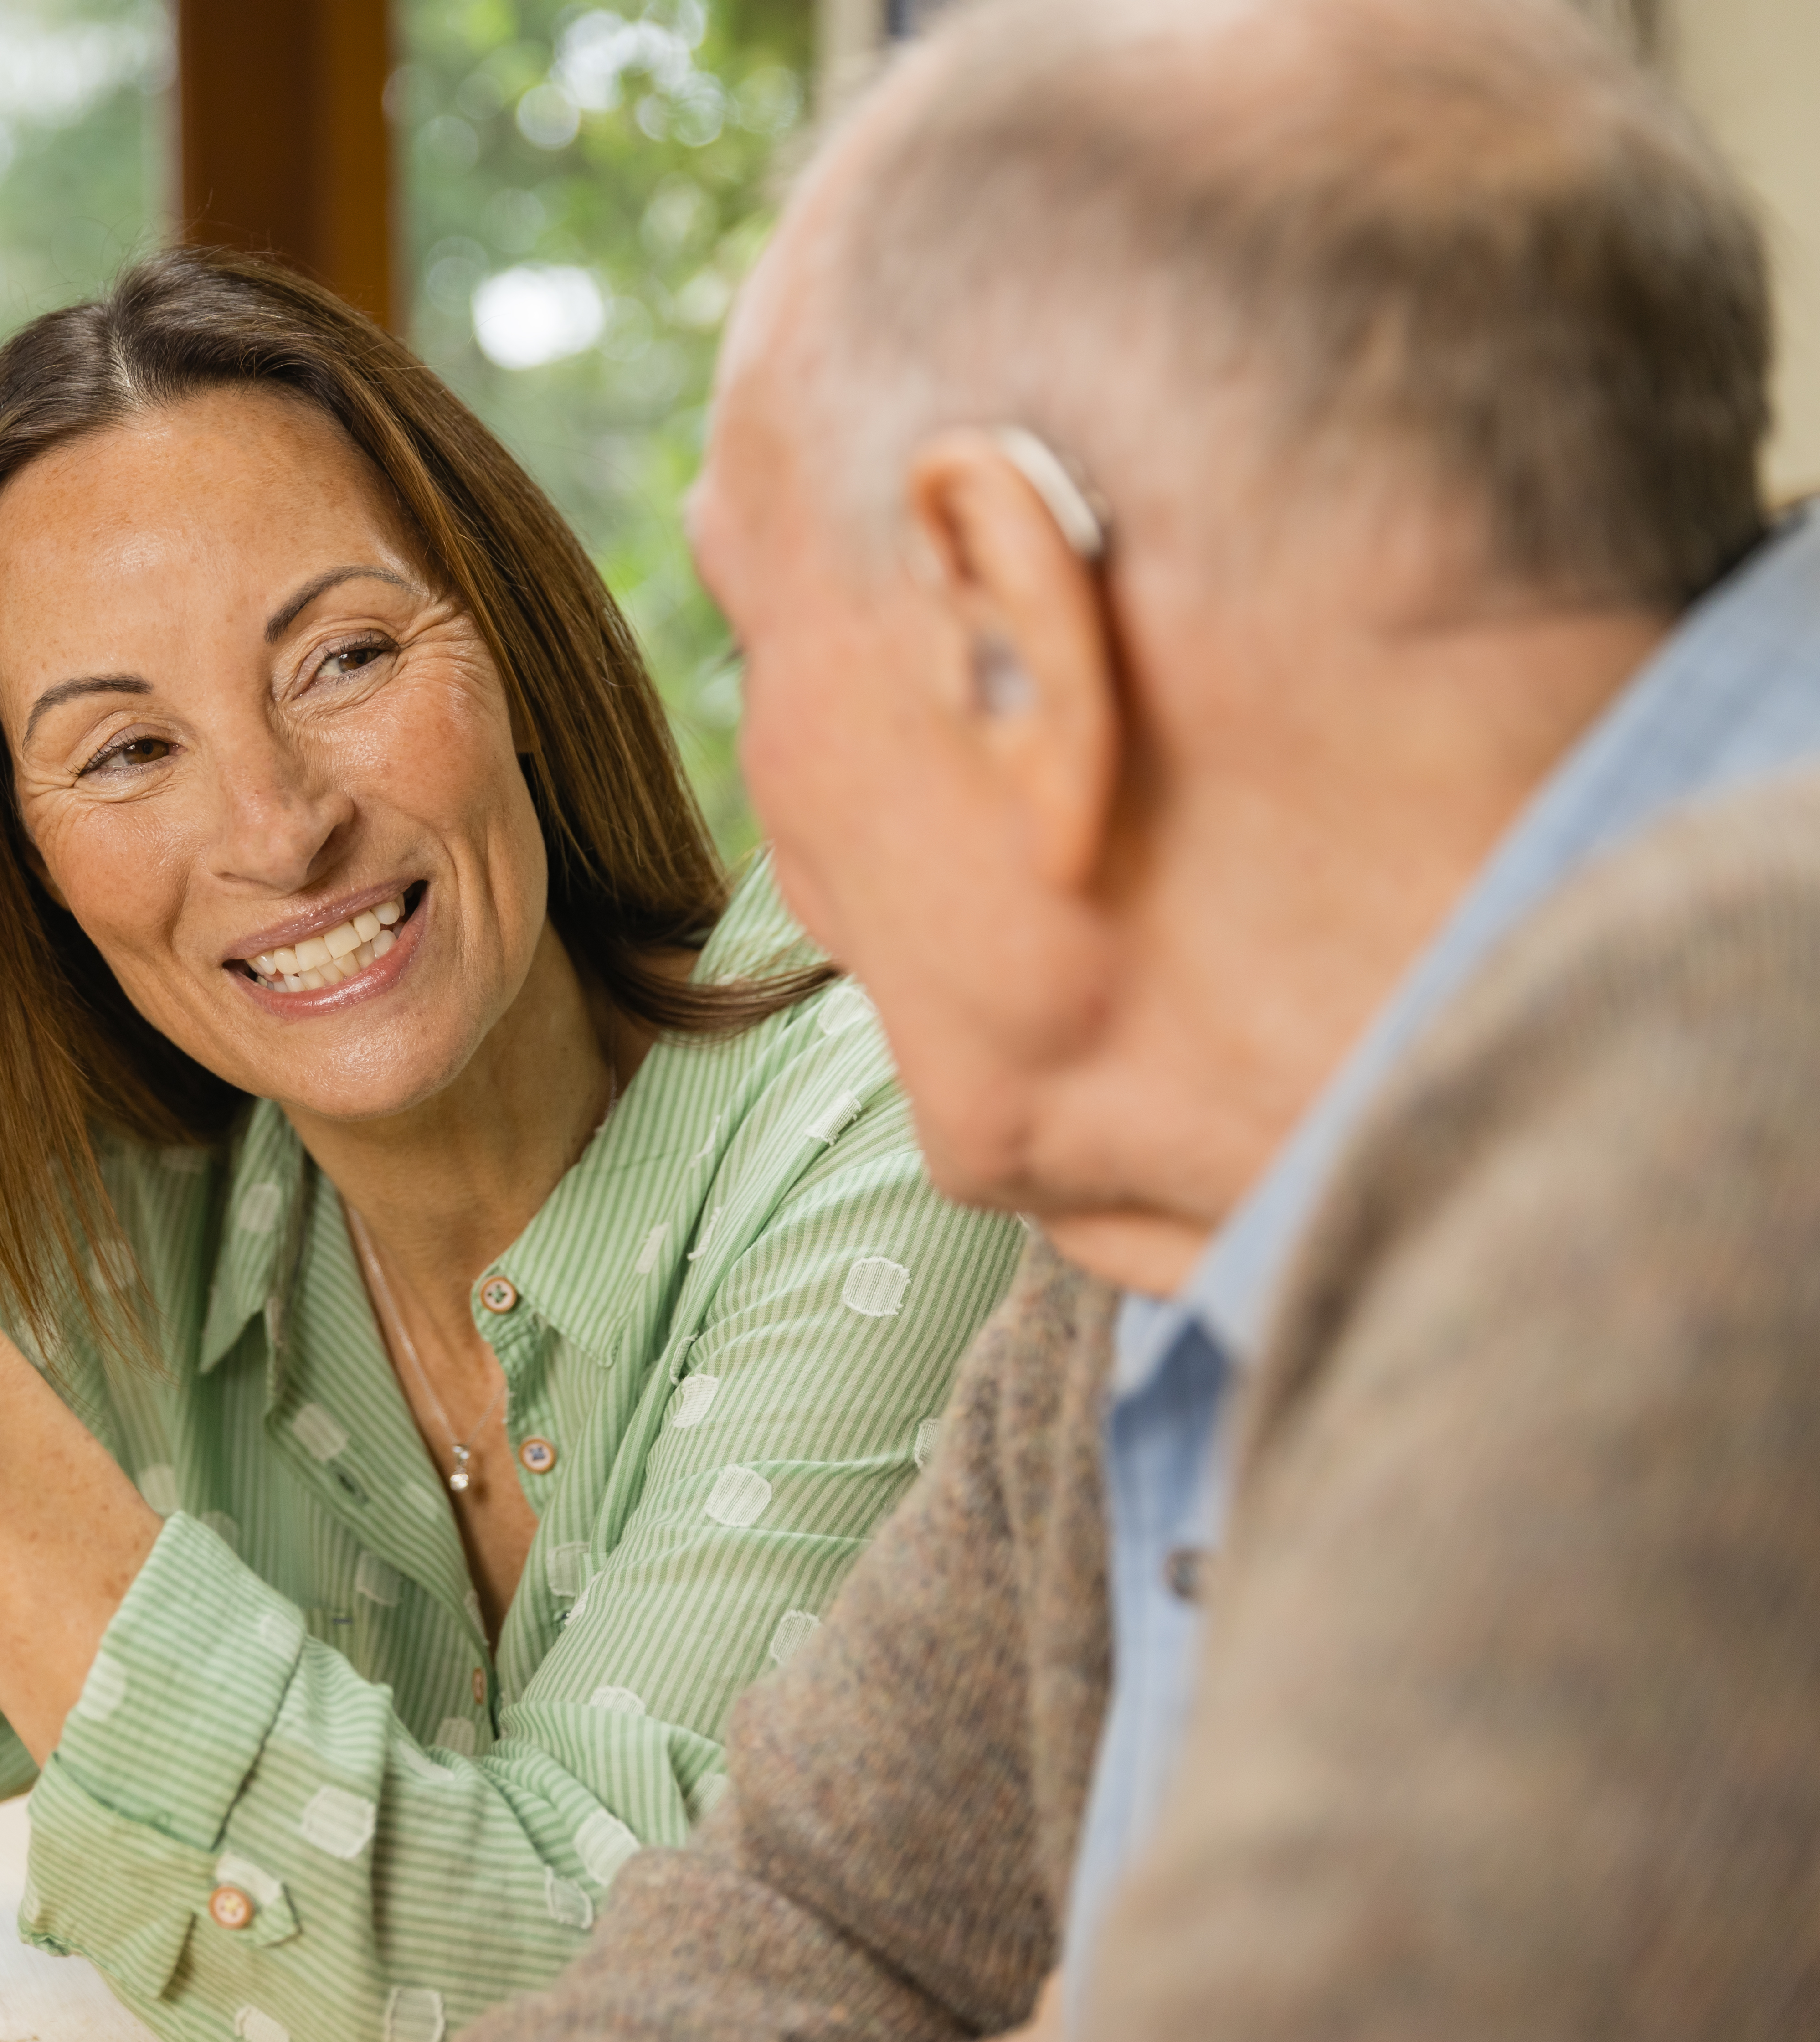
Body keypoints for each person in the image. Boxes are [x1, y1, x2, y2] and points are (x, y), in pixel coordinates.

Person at [0, 248, 1024, 2039]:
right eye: (127, 748)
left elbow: (612, 1994)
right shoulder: (136, 1253)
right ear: (31, 862)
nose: (277, 826)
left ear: (520, 659)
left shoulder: (892, 1106)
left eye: (345, 657)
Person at [479, 0, 1820, 2037]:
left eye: (758, 643)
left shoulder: (1731, 1117)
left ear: (1009, 631)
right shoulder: (1183, 1197)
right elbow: (800, 1923)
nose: (763, 811)